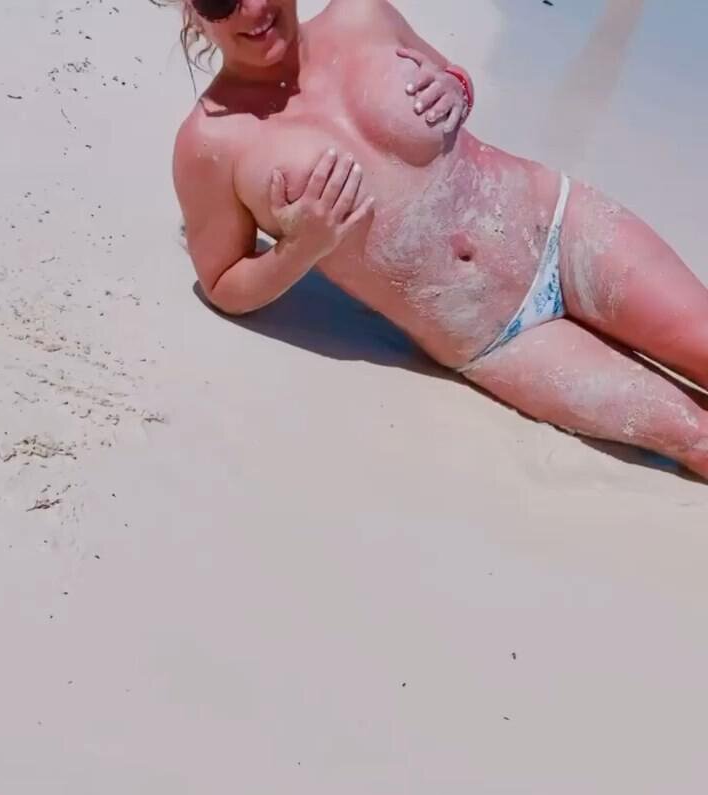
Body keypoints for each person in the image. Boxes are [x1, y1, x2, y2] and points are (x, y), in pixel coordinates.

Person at [158, 0, 708, 478]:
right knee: (695, 438)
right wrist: (302, 249)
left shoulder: (362, 14)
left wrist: (456, 87)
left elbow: (452, 79)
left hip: (563, 230)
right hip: (501, 339)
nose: (255, 9)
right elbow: (222, 281)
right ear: (191, 10)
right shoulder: (211, 142)